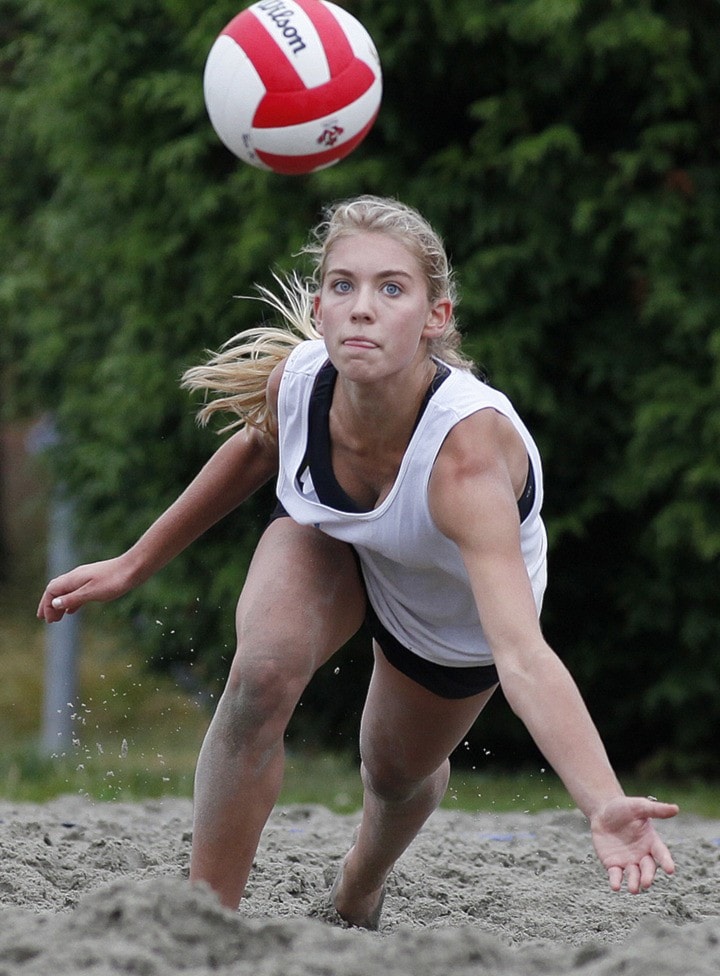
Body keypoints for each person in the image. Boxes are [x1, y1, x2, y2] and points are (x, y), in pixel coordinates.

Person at [37, 195, 678, 928]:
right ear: (320, 305)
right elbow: (256, 446)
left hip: (448, 605)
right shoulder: (302, 381)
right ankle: (201, 920)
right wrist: (133, 563)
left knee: (395, 772)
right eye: (343, 286)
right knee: (261, 674)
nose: (362, 308)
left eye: (391, 288)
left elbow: (523, 656)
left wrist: (602, 800)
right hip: (333, 542)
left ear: (434, 318)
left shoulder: (466, 460)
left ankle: (360, 883)